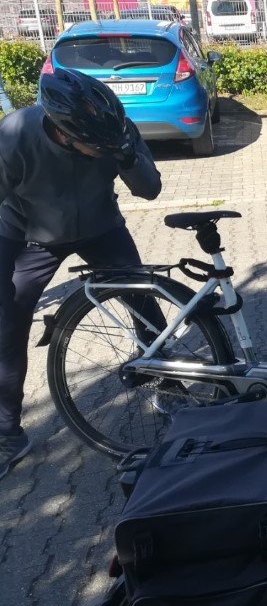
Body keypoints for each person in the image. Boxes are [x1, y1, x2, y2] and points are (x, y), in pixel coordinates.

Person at [0, 69, 162, 478]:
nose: (102, 151)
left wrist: (128, 155)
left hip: (101, 226)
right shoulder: (16, 134)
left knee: (145, 304)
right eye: (96, 147)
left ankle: (167, 383)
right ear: (63, 132)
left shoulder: (114, 129)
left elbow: (150, 189)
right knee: (8, 322)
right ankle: (7, 433)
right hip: (28, 234)